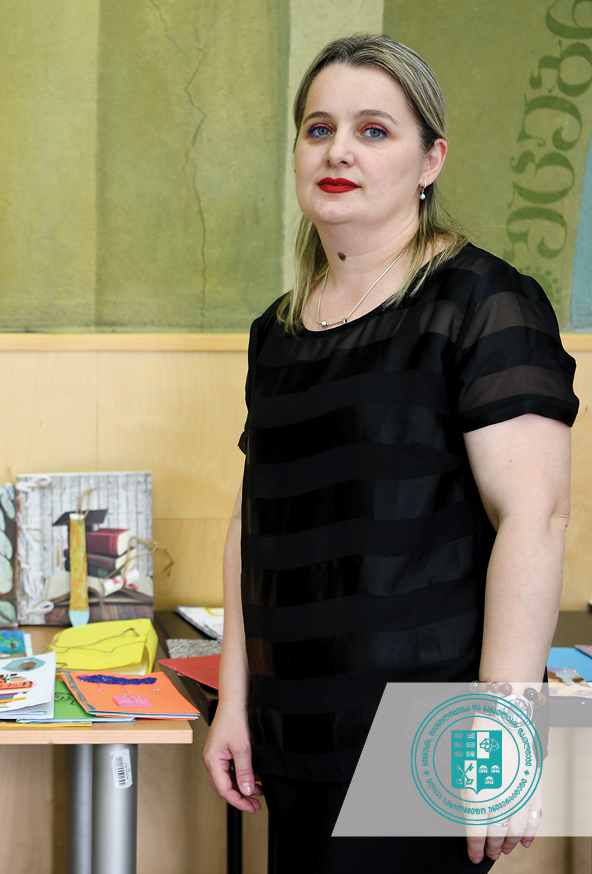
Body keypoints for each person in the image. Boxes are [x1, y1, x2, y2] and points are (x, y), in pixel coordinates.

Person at [202, 35, 577, 873]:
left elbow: (537, 515)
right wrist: (236, 698)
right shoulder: (278, 330)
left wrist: (506, 731)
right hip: (294, 727)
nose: (338, 150)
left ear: (430, 161)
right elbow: (253, 519)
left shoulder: (483, 301)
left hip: (427, 730)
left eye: (373, 130)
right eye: (319, 129)